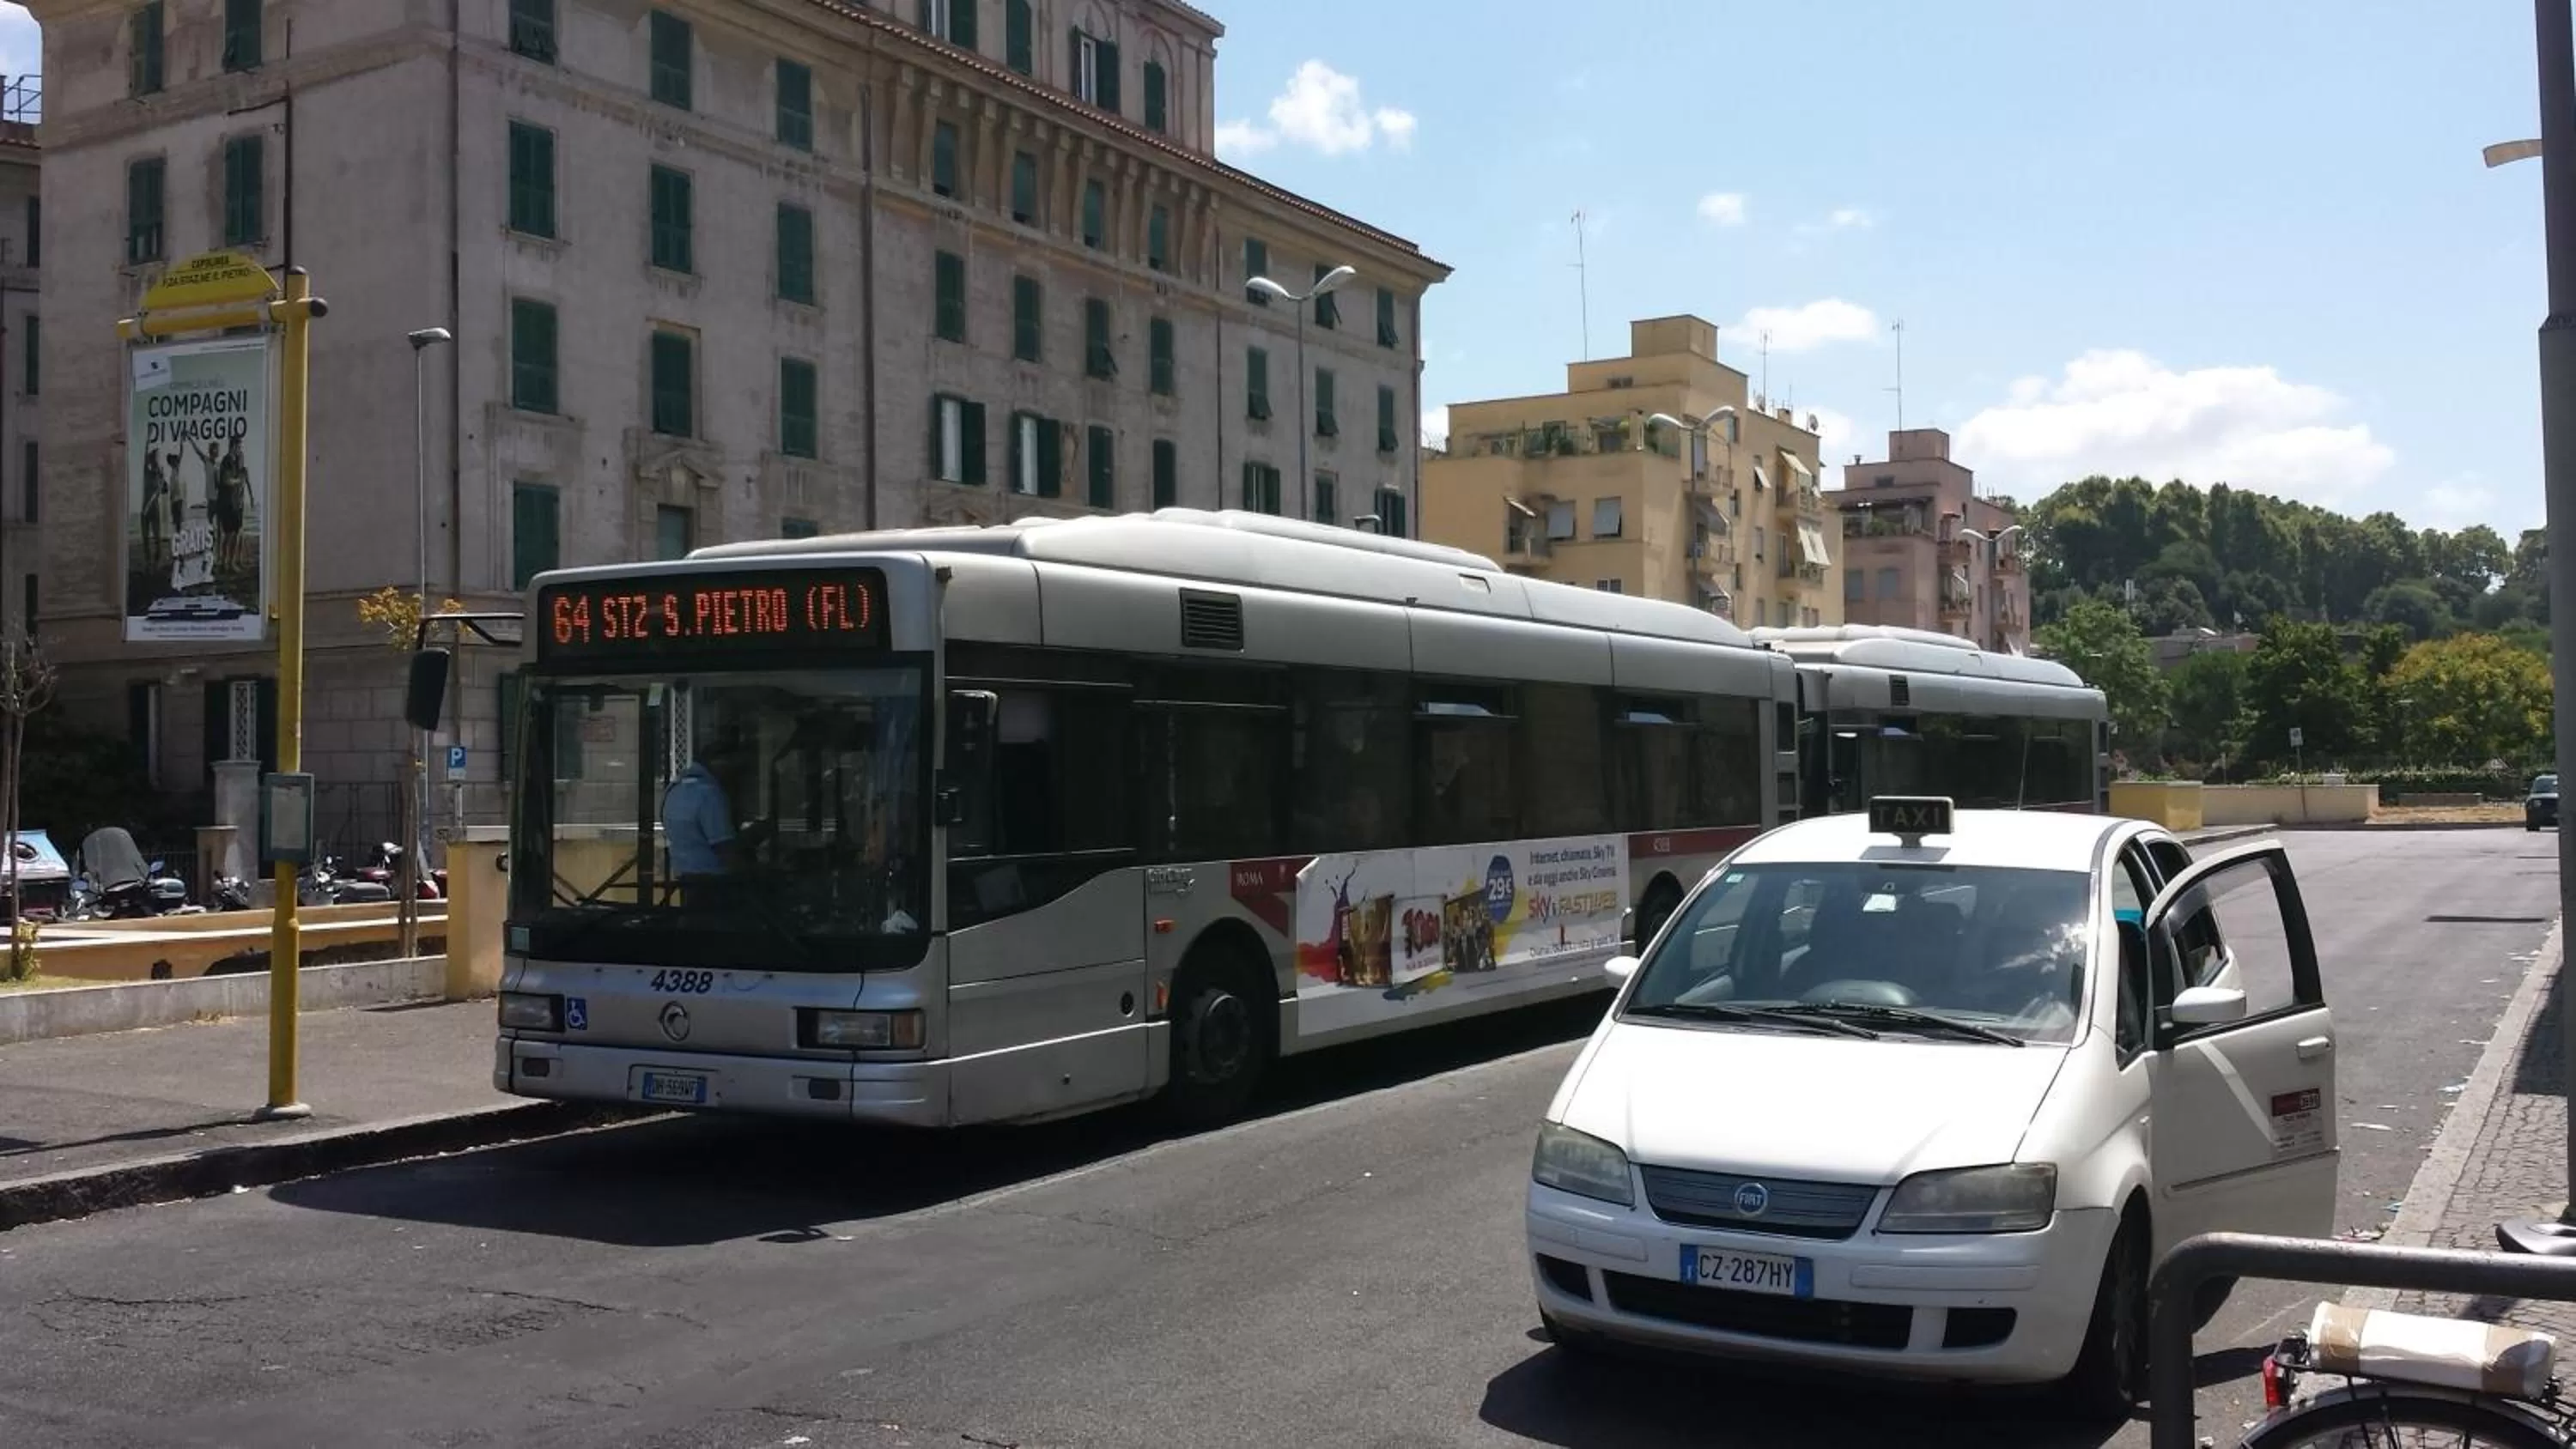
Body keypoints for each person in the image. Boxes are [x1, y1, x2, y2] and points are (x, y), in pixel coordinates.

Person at [664, 733, 750, 895]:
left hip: (685, 878)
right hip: (714, 885)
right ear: (720, 762)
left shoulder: (674, 788)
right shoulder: (709, 794)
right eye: (736, 768)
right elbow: (724, 847)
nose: (735, 776)